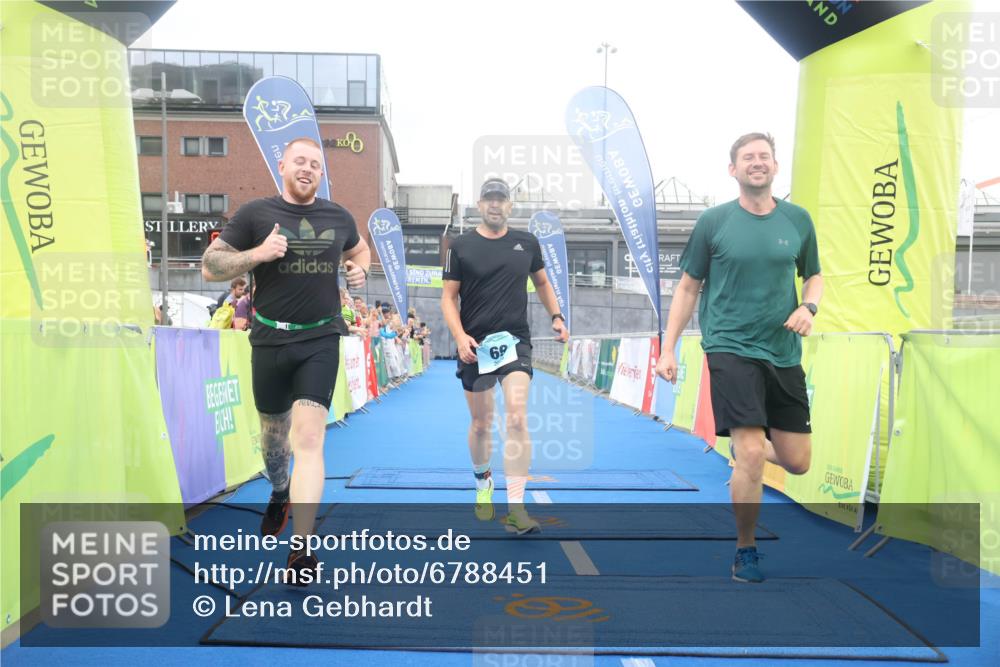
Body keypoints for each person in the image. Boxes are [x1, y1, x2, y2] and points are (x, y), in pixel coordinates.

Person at [201, 136, 371, 582]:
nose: (308, 169)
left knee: (309, 441)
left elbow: (359, 249)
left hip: (320, 339)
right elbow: (210, 265)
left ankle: (302, 547)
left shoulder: (338, 216)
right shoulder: (257, 214)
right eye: (300, 161)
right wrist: (258, 254)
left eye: (316, 164)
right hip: (270, 343)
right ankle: (280, 490)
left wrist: (361, 269)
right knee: (274, 442)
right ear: (282, 165)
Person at [655, 133, 822, 583]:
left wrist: (809, 307)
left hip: (783, 351)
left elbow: (815, 277)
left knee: (797, 461)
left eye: (763, 156)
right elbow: (688, 287)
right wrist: (667, 347)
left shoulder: (798, 220)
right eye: (747, 157)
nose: (756, 162)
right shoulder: (714, 222)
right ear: (733, 170)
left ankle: (753, 456)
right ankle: (746, 548)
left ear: (775, 166)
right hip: (729, 346)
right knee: (748, 452)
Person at [441, 178, 569, 535]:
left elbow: (542, 283)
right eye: (488, 199)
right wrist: (460, 335)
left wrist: (557, 317)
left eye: (501, 199)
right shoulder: (460, 246)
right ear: (479, 205)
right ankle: (483, 481)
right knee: (482, 424)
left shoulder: (526, 243)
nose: (495, 205)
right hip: (475, 345)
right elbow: (448, 297)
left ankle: (516, 508)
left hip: (515, 342)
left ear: (510, 206)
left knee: (516, 419)